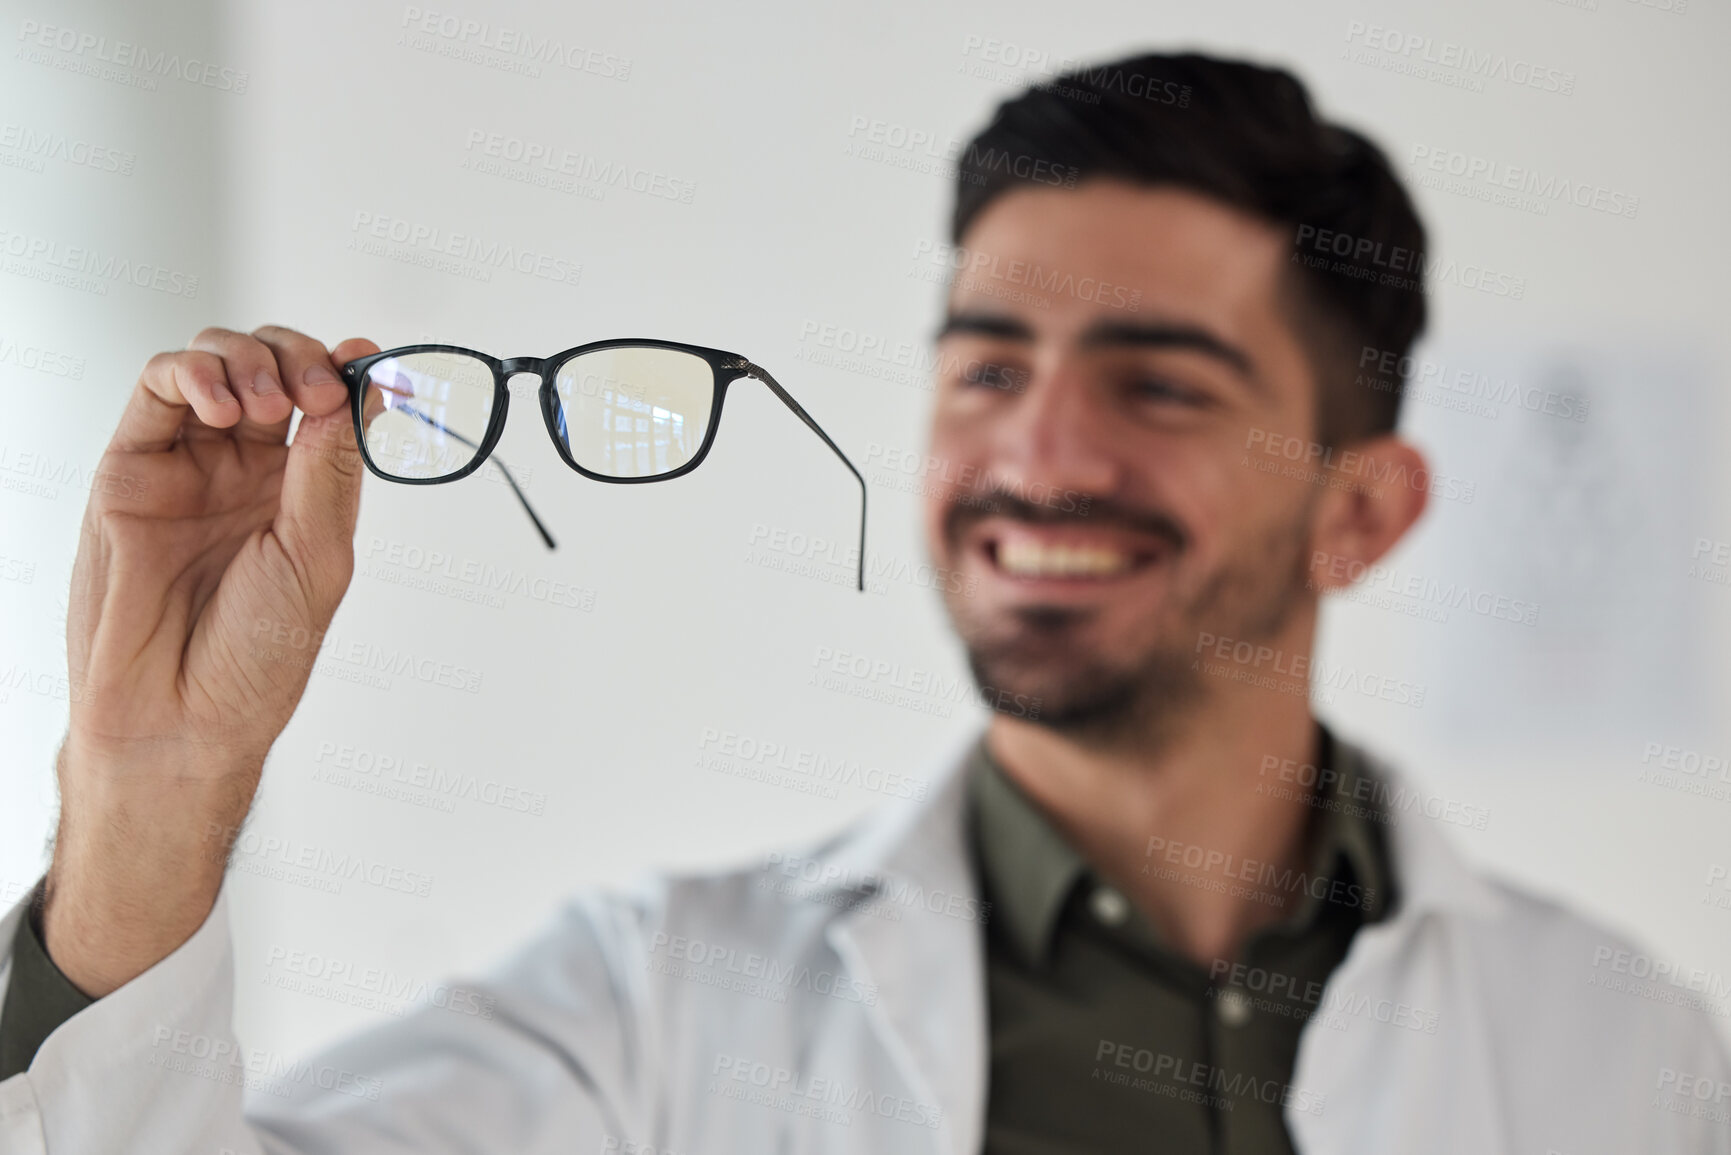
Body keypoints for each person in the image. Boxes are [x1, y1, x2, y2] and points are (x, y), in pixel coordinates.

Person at [1, 50, 1726, 1155]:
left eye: (1161, 383)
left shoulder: (1620, 1051)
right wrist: (152, 803)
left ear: (1361, 512)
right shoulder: (653, 1016)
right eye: (989, 367)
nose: (1037, 452)